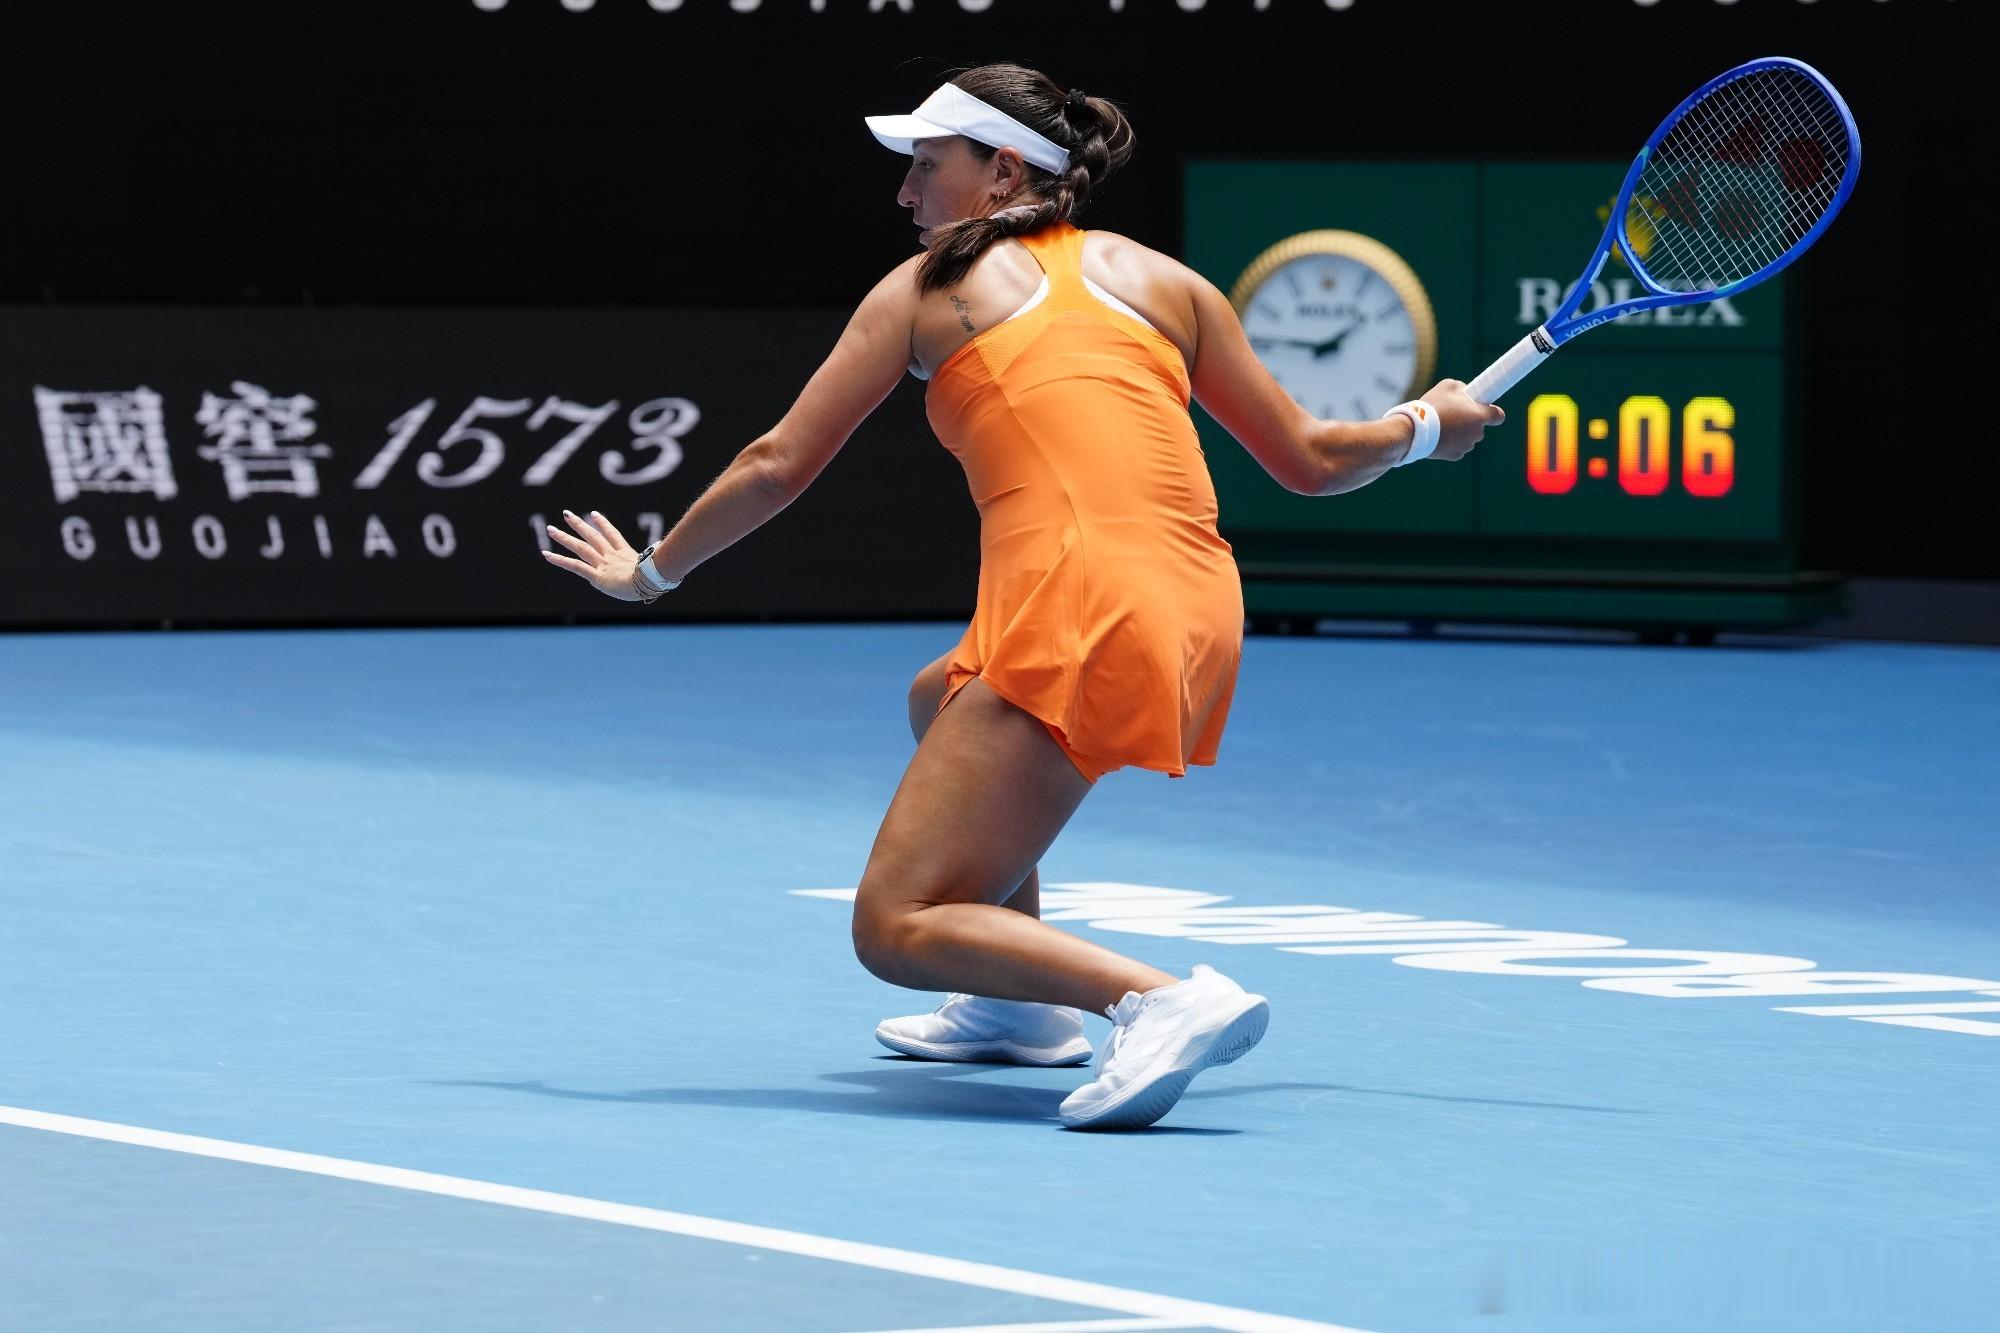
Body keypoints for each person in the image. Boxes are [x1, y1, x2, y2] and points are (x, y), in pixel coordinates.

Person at [541, 64, 1501, 1130]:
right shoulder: (1167, 281)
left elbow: (777, 464)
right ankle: (1016, 1011)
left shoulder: (925, 292)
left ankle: (1157, 1000)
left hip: (1080, 602)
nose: (905, 193)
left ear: (1002, 171)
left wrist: (651, 571)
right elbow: (1312, 460)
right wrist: (1424, 426)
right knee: (938, 696)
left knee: (895, 922)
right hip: (1194, 601)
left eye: (925, 166)